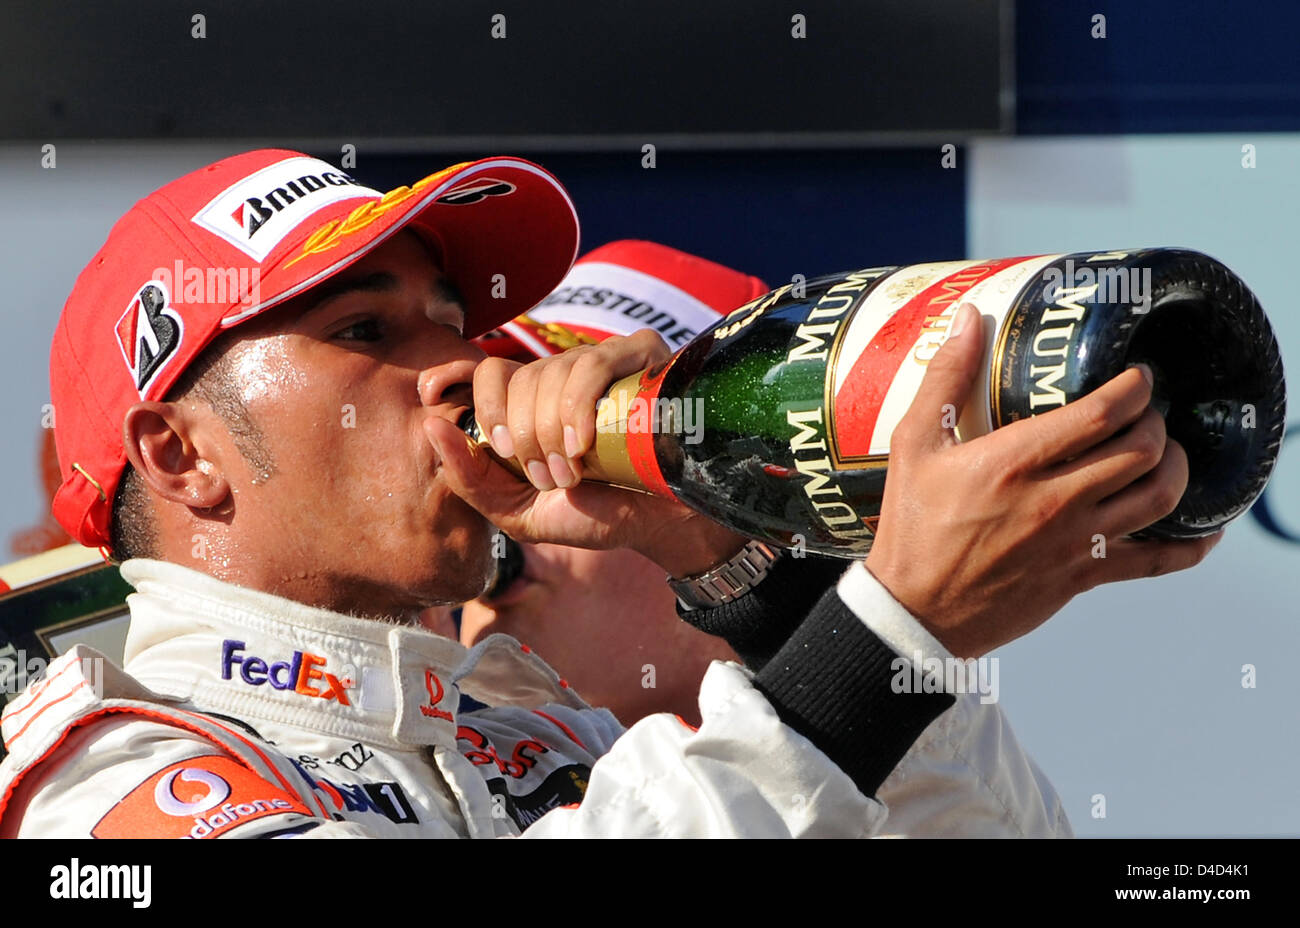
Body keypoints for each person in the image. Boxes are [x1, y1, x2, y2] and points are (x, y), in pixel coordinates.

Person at [0, 149, 1215, 838]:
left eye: (454, 322)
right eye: (368, 329)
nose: (464, 370)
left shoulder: (540, 734)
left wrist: (750, 581)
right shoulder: (103, 783)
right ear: (180, 455)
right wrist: (883, 630)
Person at [456, 240, 1071, 836]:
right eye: (506, 450)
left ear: (756, 512)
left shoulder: (953, 779)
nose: (513, 515)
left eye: (580, 459)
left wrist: (867, 638)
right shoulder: (404, 781)